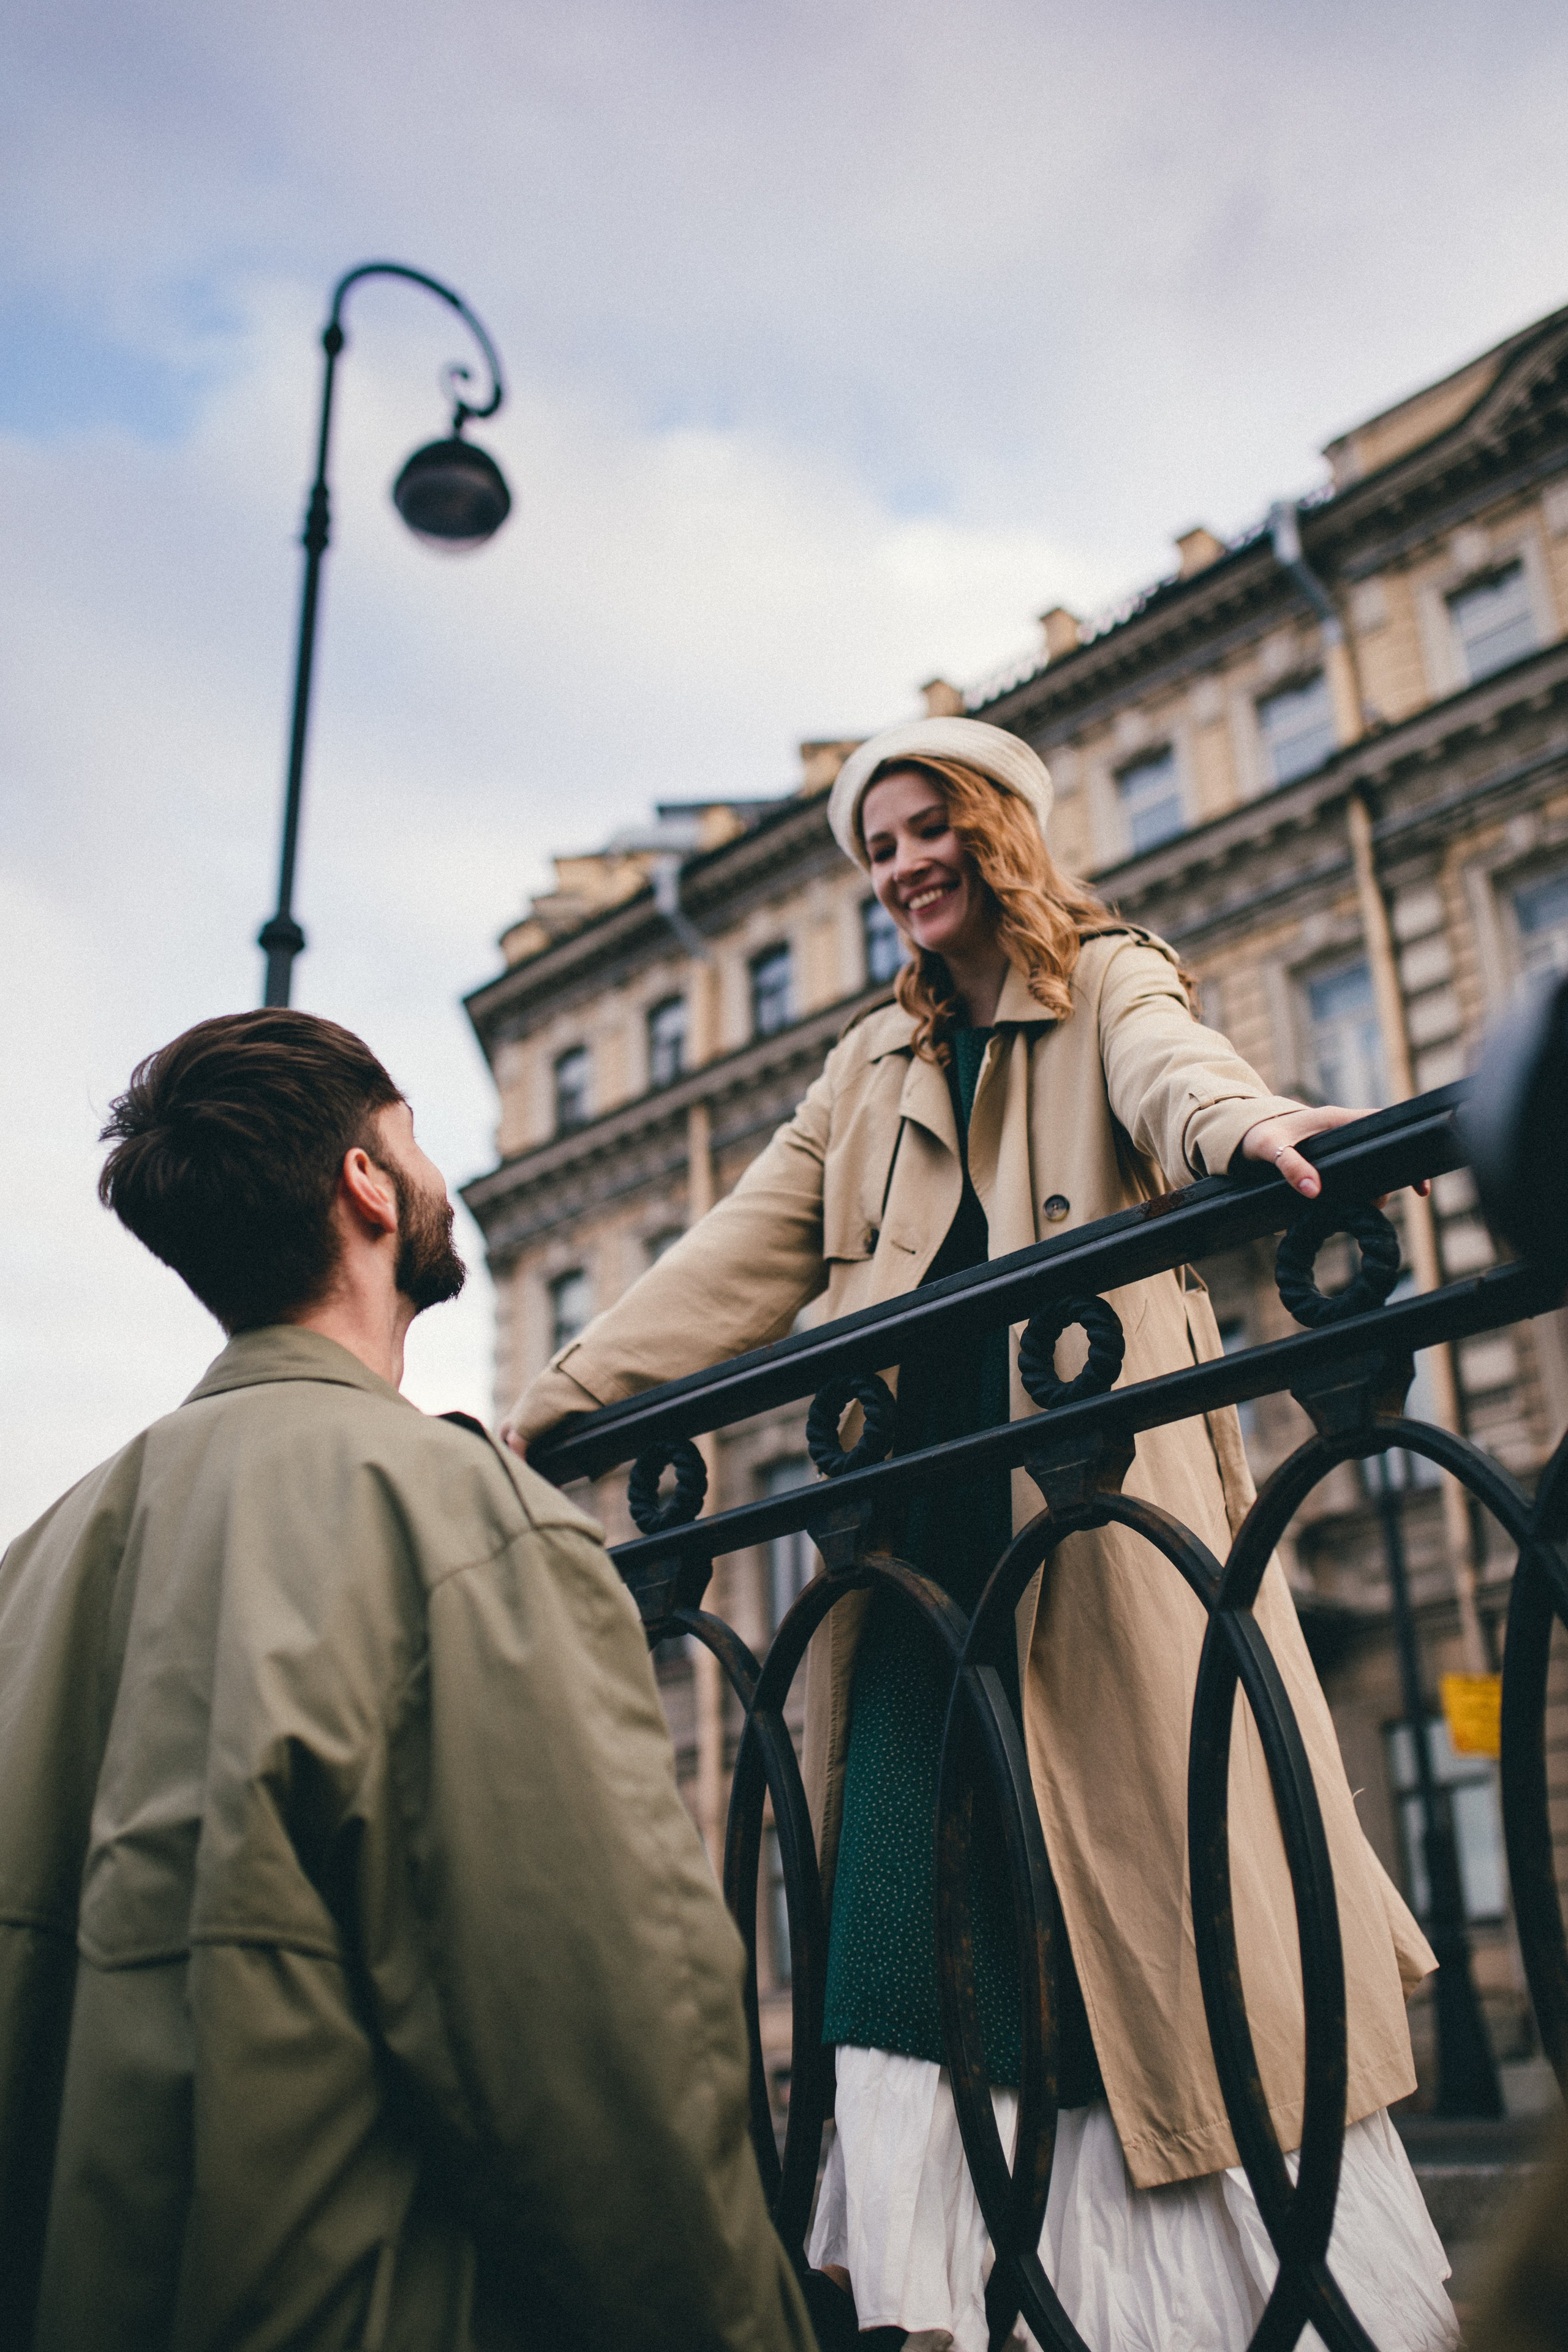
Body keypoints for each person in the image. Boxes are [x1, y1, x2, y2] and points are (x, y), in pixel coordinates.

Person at [504, 718, 1459, 2352]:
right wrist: (548, 1409)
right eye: (875, 847)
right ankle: (956, 2304)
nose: (901, 865)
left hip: (1099, 1549)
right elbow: (739, 1255)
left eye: (924, 826)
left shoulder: (1102, 979)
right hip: (905, 1568)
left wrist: (1246, 1134)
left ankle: (1208, 2312)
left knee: (1146, 1933)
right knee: (889, 1929)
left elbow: (1174, 1077)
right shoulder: (863, 1071)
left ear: (996, 826)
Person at [0, 1009, 815, 2352]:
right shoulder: (457, 1517)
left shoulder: (40, 1563)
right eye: (415, 1141)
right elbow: (608, 2067)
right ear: (367, 1186)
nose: (434, 1178)